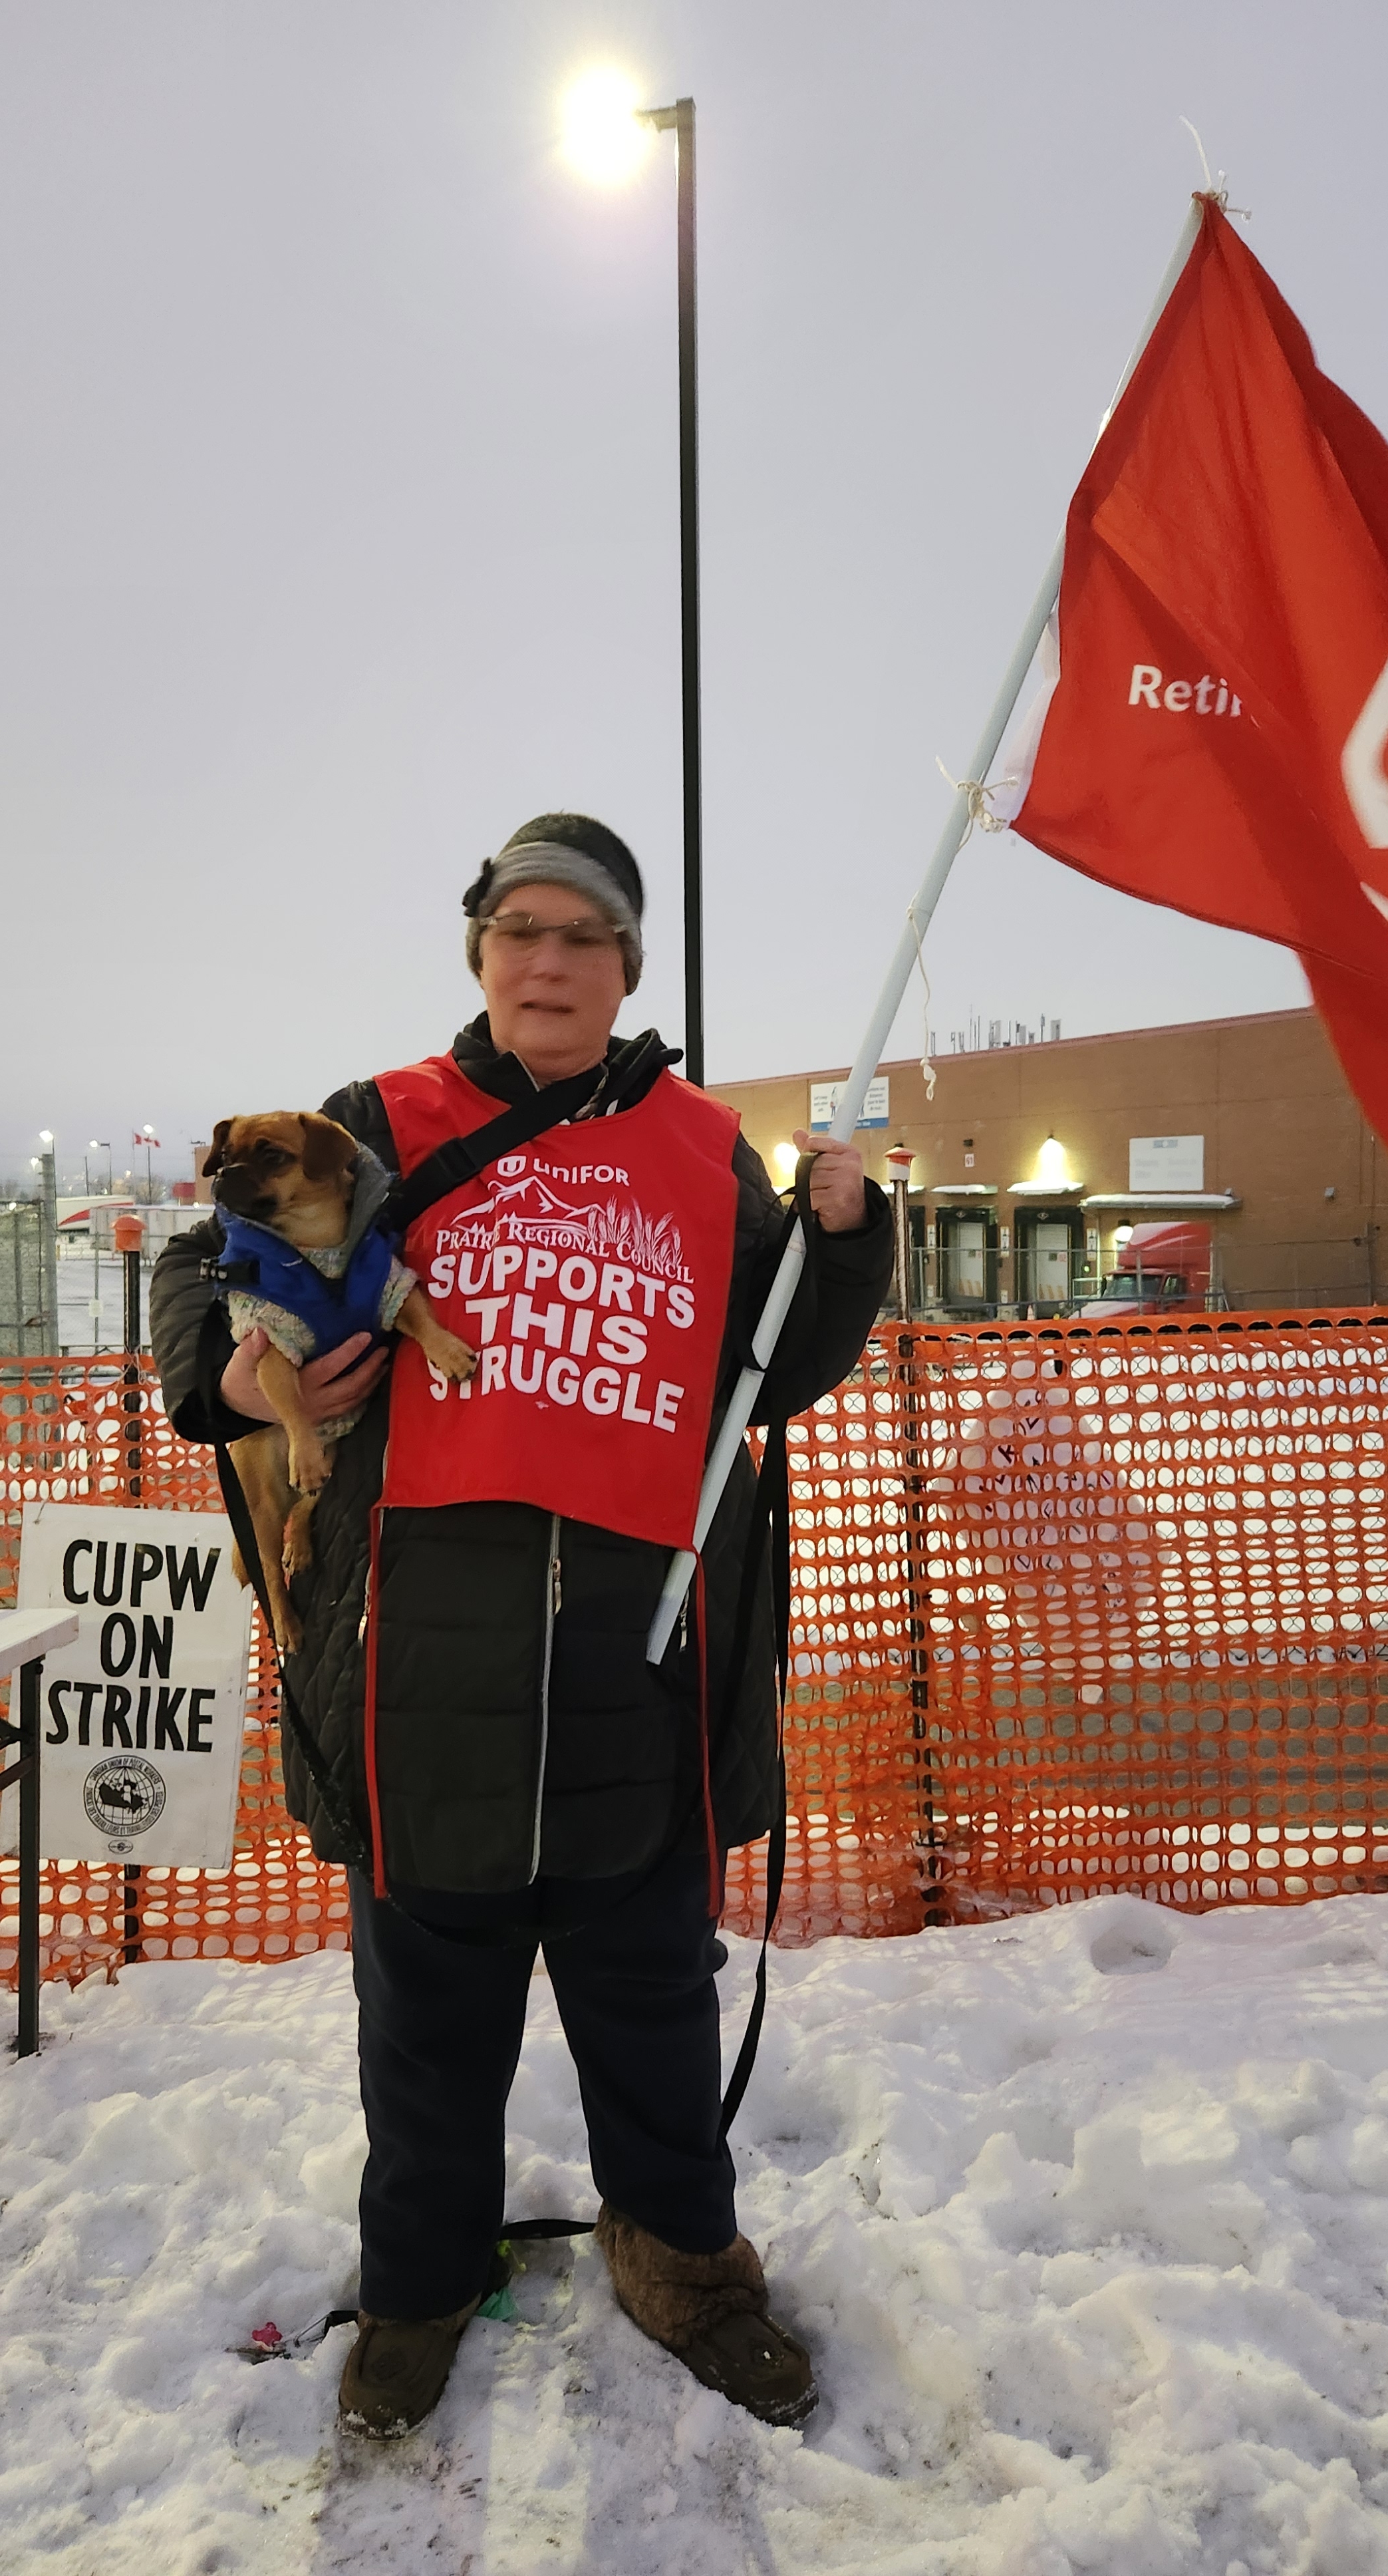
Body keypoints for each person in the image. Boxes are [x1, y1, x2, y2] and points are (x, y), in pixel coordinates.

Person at [151, 813, 892, 2438]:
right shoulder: (376, 1121)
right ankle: (416, 2287)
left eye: (580, 935)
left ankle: (688, 2269)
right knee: (426, 2032)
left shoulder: (702, 1145)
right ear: (481, 950)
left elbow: (781, 1360)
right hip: (419, 1670)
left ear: (625, 965)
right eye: (516, 928)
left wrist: (844, 1239)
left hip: (642, 1667)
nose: (545, 959)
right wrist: (244, 1373)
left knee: (650, 2009)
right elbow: (201, 1262)